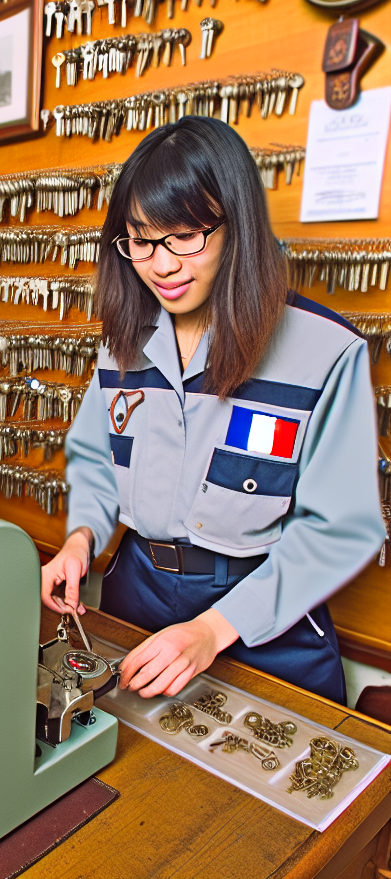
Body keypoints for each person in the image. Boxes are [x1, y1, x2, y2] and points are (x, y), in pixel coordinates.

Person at [40, 116, 385, 705]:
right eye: (142, 241)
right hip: (137, 590)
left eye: (185, 237)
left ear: (237, 227)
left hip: (265, 611)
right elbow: (98, 462)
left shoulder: (326, 351)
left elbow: (340, 529)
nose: (163, 265)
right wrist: (80, 539)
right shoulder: (124, 343)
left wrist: (213, 630)